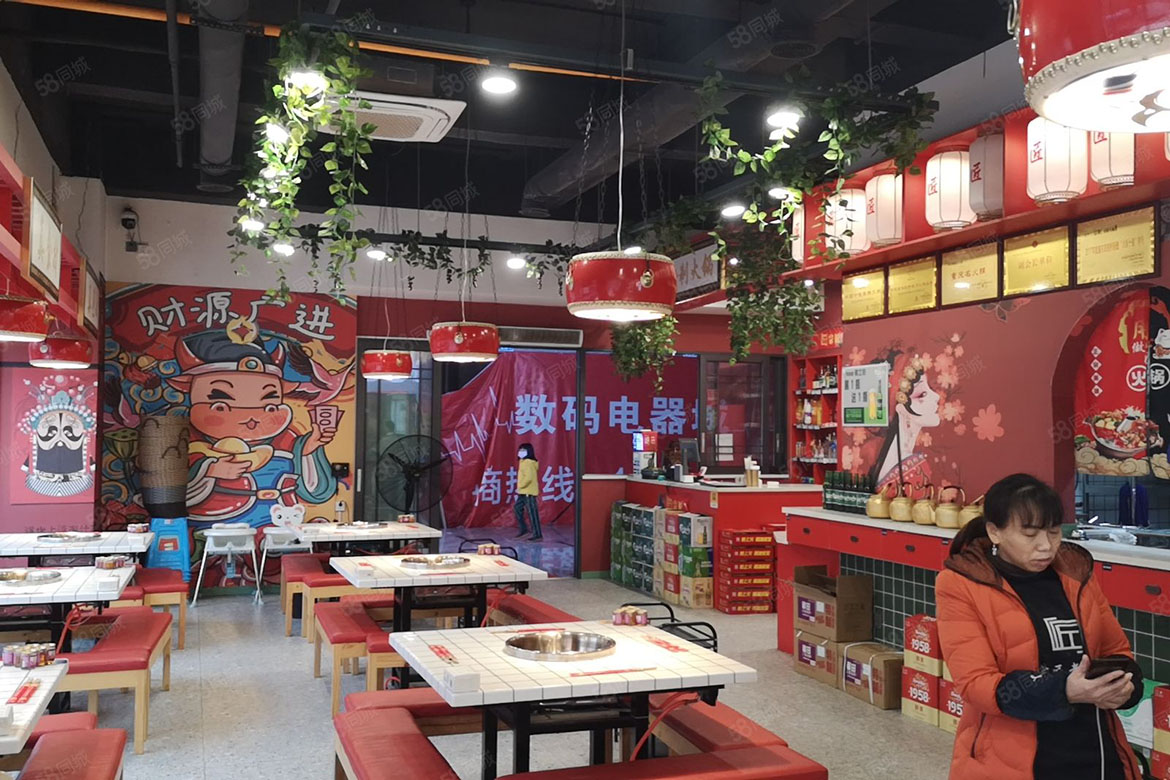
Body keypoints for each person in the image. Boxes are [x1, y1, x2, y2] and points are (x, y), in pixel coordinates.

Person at [937, 473, 1143, 780]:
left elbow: (1117, 652)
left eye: (1054, 532)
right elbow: (976, 684)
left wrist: (1124, 688)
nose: (1046, 546)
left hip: (1096, 750)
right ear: (995, 532)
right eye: (1029, 534)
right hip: (1012, 757)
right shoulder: (962, 583)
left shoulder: (1077, 575)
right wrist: (1065, 690)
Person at [514, 443, 542, 541]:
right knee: (517, 508)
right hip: (523, 491)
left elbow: (529, 478)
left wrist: (520, 486)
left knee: (532, 513)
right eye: (520, 450)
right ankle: (524, 529)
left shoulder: (528, 462)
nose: (520, 452)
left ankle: (537, 535)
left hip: (528, 492)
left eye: (523, 450)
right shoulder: (523, 462)